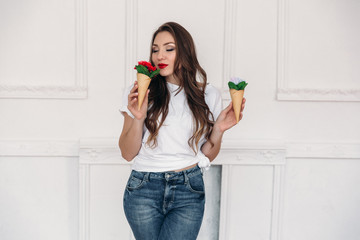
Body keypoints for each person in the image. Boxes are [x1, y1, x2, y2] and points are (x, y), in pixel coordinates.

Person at [119, 22, 246, 240]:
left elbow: (207, 154)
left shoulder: (207, 94)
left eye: (169, 49)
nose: (160, 56)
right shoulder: (140, 92)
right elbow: (127, 153)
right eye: (155, 49)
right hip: (143, 188)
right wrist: (138, 117)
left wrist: (219, 130)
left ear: (185, 52)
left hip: (188, 188)